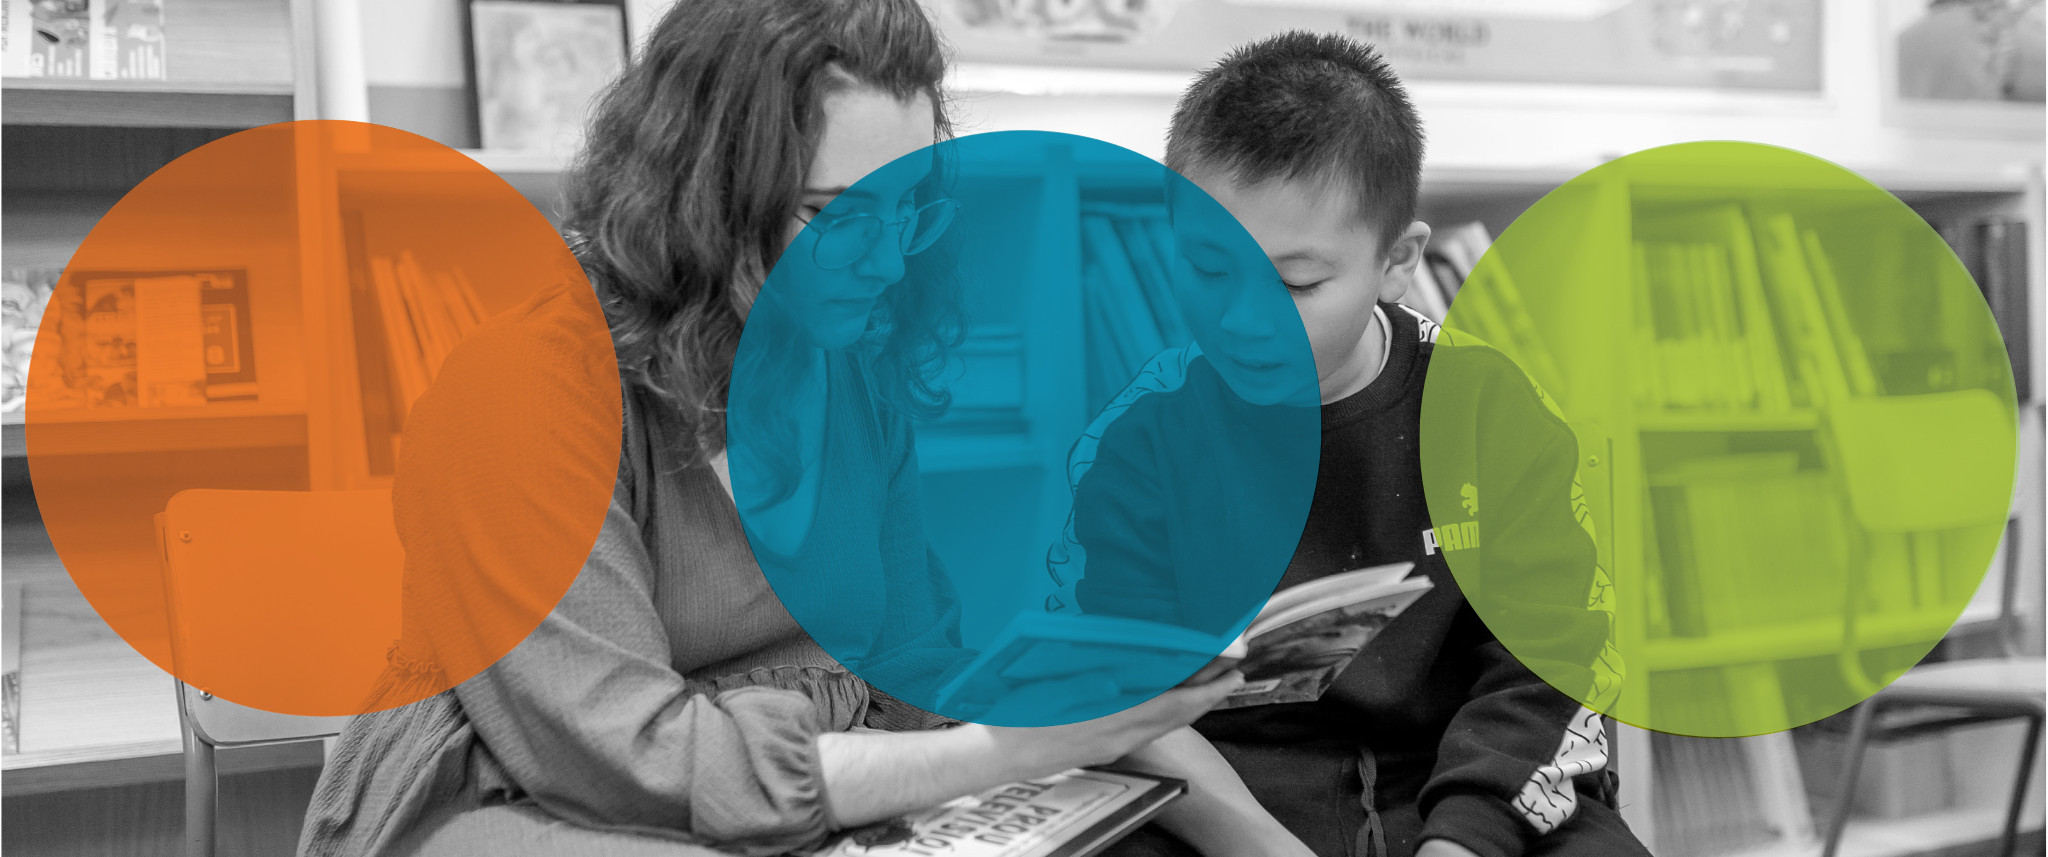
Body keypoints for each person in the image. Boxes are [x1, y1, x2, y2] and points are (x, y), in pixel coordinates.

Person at [293, 1, 1281, 854]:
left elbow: (915, 660)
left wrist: (1075, 685)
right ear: (703, 196)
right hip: (526, 804)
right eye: (828, 214)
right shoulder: (528, 381)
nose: (884, 262)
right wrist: (998, 750)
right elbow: (616, 754)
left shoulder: (849, 356)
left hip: (779, 794)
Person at [1048, 32, 1648, 857]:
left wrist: (1463, 841)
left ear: (1397, 261)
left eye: (1296, 283)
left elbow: (1550, 666)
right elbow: (1115, 694)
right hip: (1226, 796)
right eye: (1210, 270)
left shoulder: (1489, 408)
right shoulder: (1135, 439)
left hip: (1465, 780)